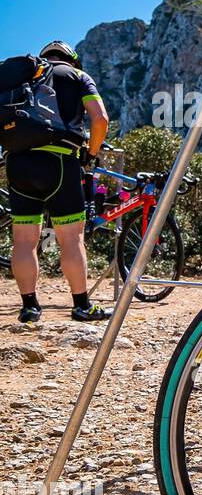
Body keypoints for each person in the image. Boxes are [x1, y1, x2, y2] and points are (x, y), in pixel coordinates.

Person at [7, 41, 111, 323]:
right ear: (73, 59)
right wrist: (90, 154)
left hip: (17, 163)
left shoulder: (26, 76)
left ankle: (29, 307)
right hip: (60, 162)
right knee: (71, 239)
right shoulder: (77, 76)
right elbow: (100, 119)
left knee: (24, 241)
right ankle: (81, 306)